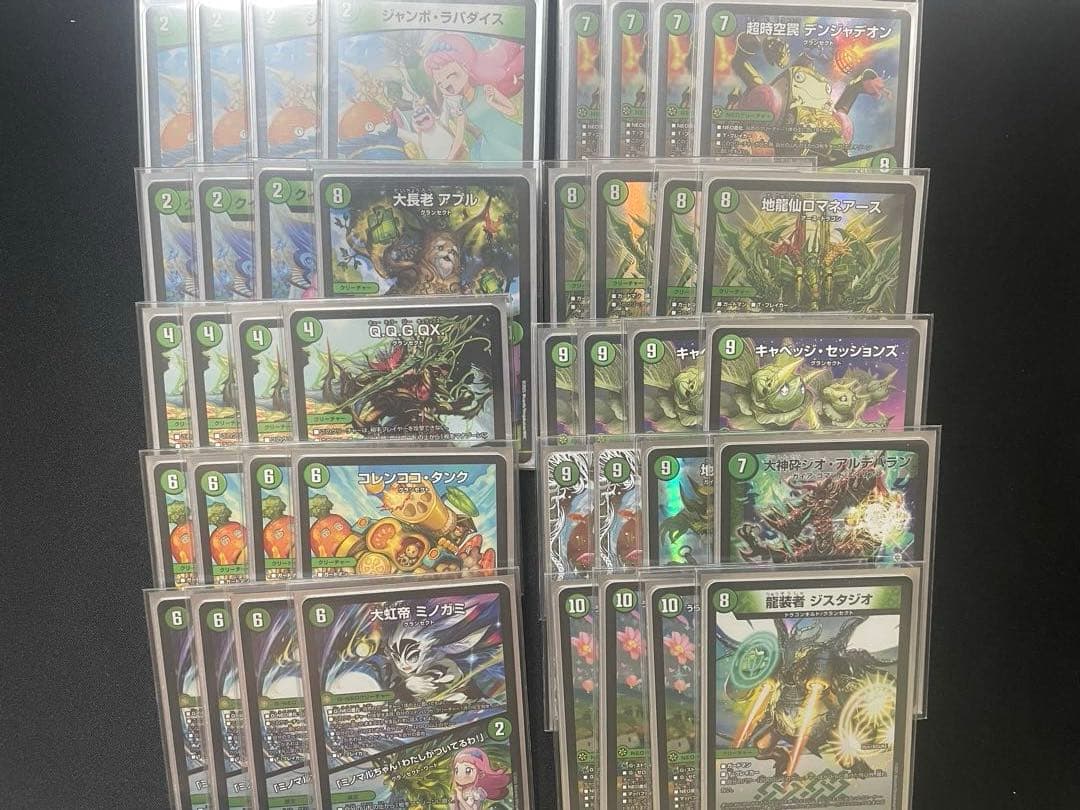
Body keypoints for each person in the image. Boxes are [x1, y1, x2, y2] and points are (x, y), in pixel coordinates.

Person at [422, 34, 525, 161]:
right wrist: (448, 160)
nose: (448, 85)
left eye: (451, 75)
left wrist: (493, 103)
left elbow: (512, 111)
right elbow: (459, 138)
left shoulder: (486, 90)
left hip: (510, 133)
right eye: (441, 84)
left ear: (465, 67)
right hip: (492, 145)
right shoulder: (461, 107)